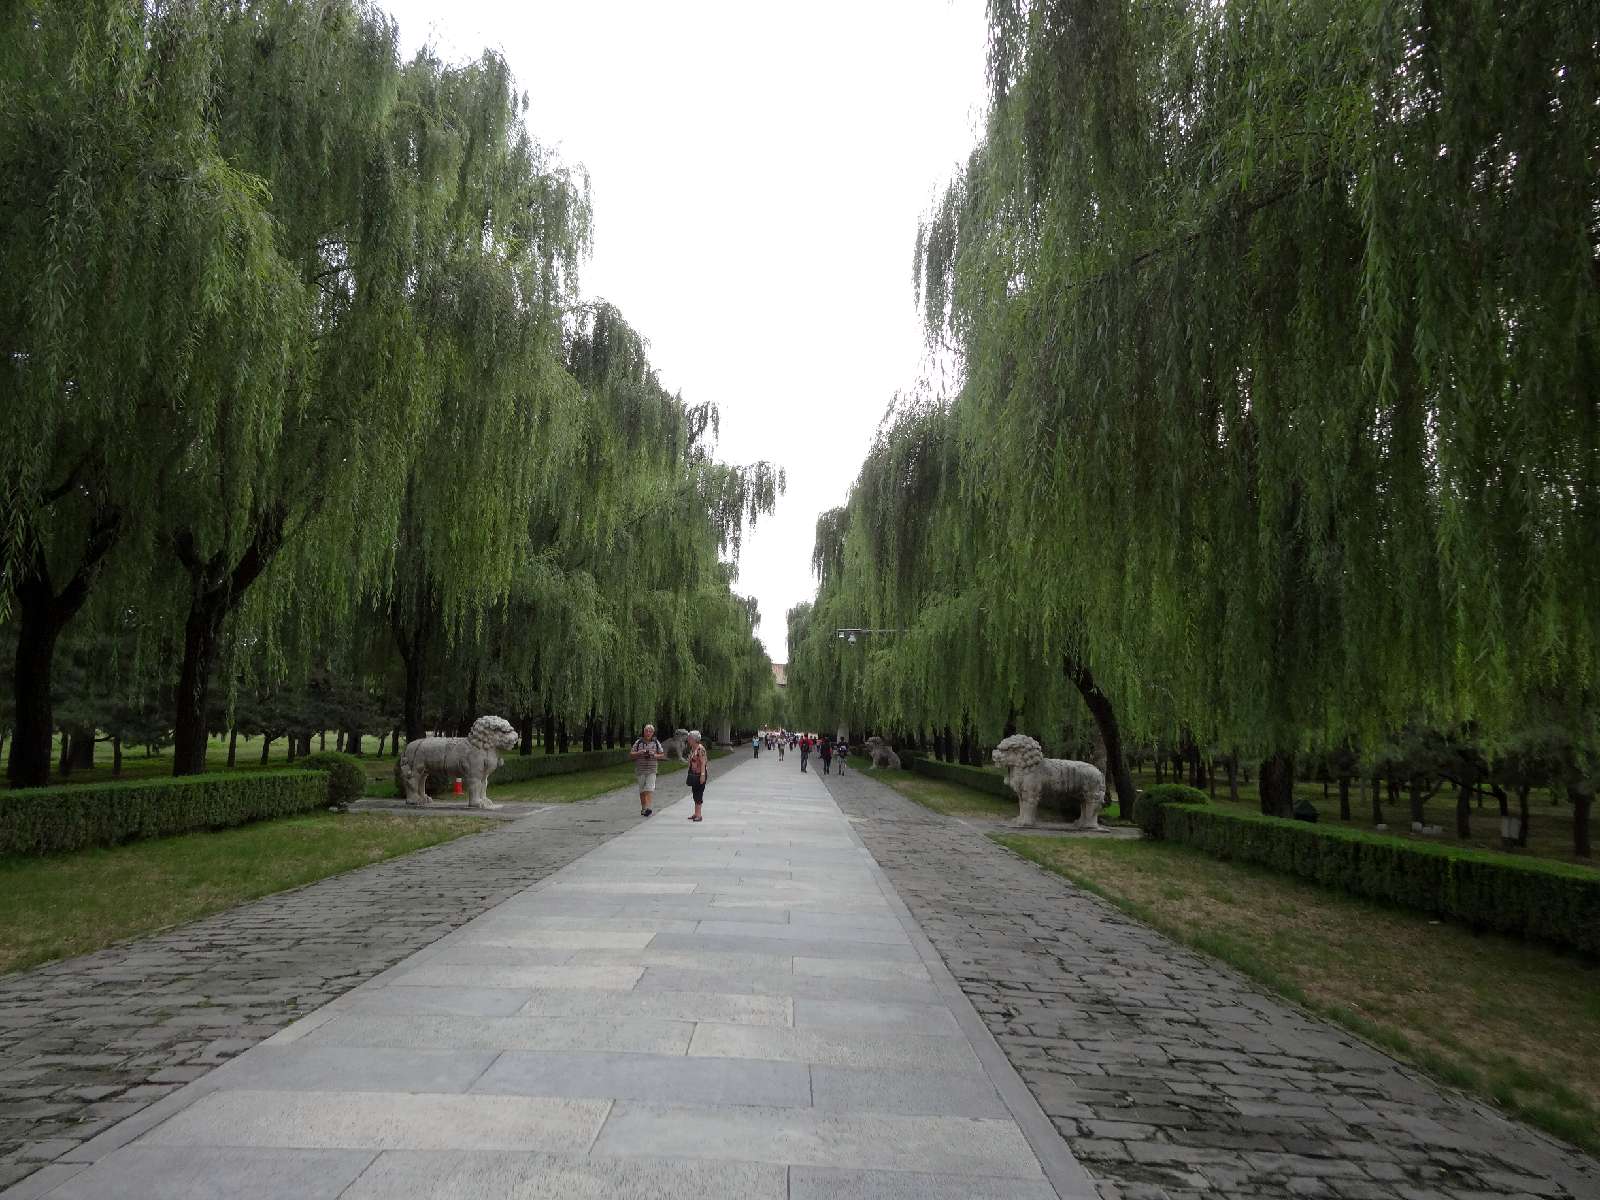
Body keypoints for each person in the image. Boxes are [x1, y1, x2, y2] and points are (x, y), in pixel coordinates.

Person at [631, 723, 665, 816]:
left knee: (649, 788)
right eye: (646, 731)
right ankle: (643, 808)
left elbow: (662, 754)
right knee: (642, 790)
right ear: (644, 732)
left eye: (650, 731)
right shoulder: (638, 742)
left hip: (652, 769)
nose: (648, 733)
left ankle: (648, 808)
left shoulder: (656, 742)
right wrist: (639, 752)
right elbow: (631, 754)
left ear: (653, 733)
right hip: (640, 769)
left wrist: (654, 755)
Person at [686, 730, 708, 821]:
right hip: (694, 774)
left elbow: (703, 763)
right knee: (695, 793)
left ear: (694, 739)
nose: (688, 740)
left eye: (689, 738)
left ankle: (699, 815)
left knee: (699, 794)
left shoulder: (700, 749)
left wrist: (702, 775)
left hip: (699, 774)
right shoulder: (693, 749)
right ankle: (696, 813)